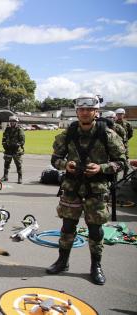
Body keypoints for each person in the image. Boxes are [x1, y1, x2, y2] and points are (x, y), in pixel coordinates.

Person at [46, 94, 126, 285]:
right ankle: (62, 261)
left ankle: (95, 266)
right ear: (77, 112)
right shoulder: (68, 134)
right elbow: (54, 159)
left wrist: (102, 168)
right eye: (81, 110)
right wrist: (66, 165)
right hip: (72, 188)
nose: (84, 113)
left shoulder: (108, 135)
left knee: (95, 231)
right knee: (67, 228)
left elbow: (122, 162)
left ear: (95, 112)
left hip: (96, 190)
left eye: (89, 109)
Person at [1, 115, 25, 184]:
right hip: (8, 149)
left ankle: (20, 178)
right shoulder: (7, 129)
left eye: (14, 121)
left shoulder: (19, 129)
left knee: (18, 164)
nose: (12, 123)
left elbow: (22, 141)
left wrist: (17, 145)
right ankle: (5, 176)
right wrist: (4, 144)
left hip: (16, 150)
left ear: (16, 122)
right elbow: (4, 137)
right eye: (11, 121)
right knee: (6, 163)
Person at [115, 108, 133, 176]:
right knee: (115, 161)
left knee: (126, 161)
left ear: (123, 115)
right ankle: (115, 179)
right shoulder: (113, 123)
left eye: (121, 114)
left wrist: (125, 140)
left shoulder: (127, 124)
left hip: (124, 146)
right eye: (118, 114)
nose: (120, 116)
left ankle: (125, 176)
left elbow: (130, 134)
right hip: (115, 146)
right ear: (116, 115)